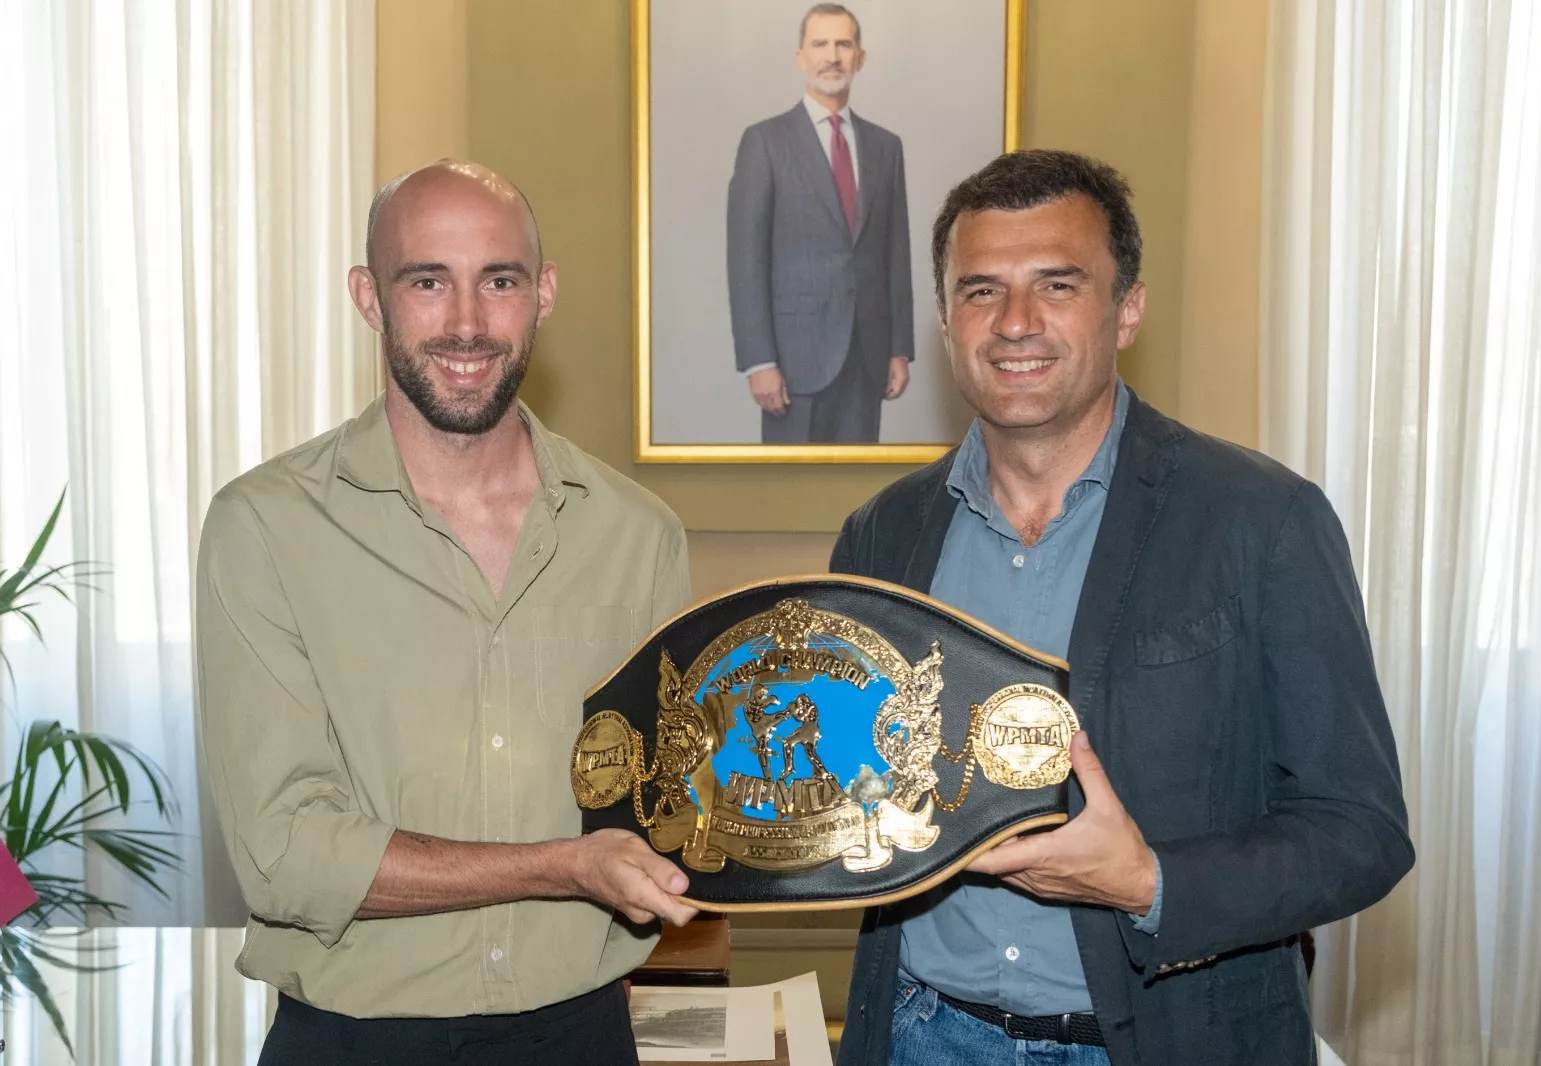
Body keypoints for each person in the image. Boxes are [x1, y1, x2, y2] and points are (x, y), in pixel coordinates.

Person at [830, 150, 1413, 1065]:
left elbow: (1363, 831)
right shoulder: (880, 537)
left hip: (1172, 1040)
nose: (1015, 322)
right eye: (981, 291)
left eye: (1057, 284)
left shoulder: (1265, 522)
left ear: (1127, 308)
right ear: (945, 320)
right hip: (921, 1033)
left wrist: (1149, 881)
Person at [195, 161, 697, 1065]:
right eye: (427, 280)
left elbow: (666, 804)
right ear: (368, 297)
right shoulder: (263, 528)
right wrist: (560, 868)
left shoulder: (640, 535)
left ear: (541, 294)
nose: (467, 322)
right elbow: (285, 854)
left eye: (498, 280)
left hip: (583, 1034)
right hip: (350, 1043)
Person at [727, 2, 914, 444]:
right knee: (788, 499)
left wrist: (899, 348)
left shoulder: (886, 147)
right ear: (801, 57)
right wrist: (759, 362)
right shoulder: (764, 142)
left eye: (843, 44)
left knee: (859, 501)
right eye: (820, 44)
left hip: (867, 356)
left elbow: (896, 253)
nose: (832, 55)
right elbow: (746, 260)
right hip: (792, 363)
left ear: (860, 57)